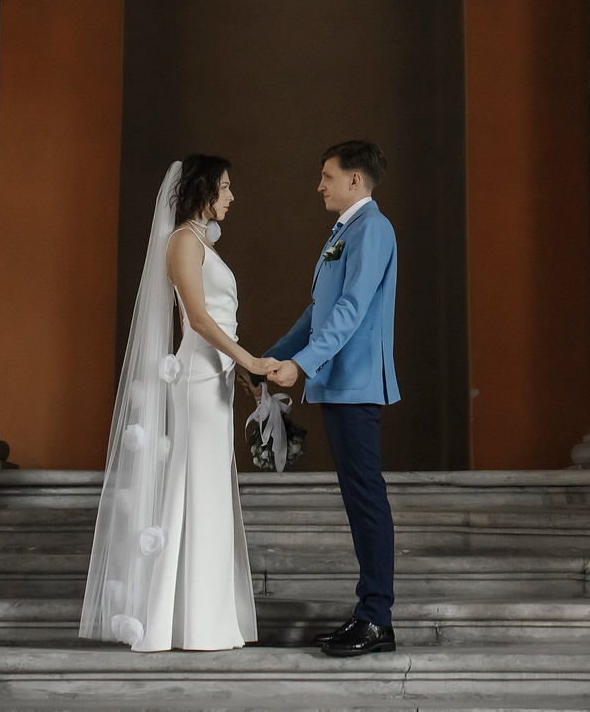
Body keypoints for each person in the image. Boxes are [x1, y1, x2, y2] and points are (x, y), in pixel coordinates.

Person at [80, 156, 280, 652]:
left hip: (215, 376)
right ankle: (184, 620)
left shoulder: (199, 242)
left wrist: (244, 378)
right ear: (204, 190)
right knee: (194, 487)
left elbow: (219, 323)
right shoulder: (183, 242)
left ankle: (203, 617)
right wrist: (250, 361)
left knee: (209, 488)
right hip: (196, 376)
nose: (232, 197)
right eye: (226, 187)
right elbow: (199, 319)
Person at [265, 140, 400, 658]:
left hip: (356, 380)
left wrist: (300, 365)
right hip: (338, 380)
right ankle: (368, 613)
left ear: (354, 180)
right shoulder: (345, 230)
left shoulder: (374, 228)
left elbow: (350, 308)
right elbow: (316, 311)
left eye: (327, 176)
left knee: (366, 497)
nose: (319, 185)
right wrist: (266, 359)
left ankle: (376, 618)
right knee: (357, 495)